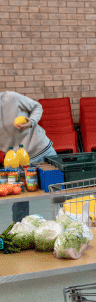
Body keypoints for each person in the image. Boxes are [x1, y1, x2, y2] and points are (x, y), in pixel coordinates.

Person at [0, 91, 57, 222]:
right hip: (17, 162)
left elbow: (37, 106)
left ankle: (68, 227)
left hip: (43, 152)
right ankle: (20, 234)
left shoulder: (10, 97)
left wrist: (30, 121)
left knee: (60, 193)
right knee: (20, 203)